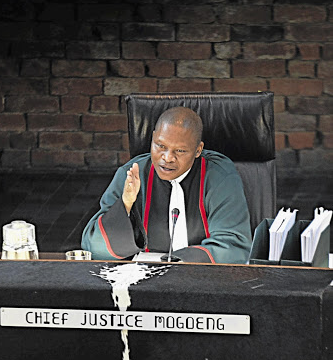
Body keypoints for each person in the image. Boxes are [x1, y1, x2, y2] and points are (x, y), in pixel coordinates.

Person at [81, 106, 252, 264]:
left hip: (201, 277)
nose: (167, 157)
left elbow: (233, 249)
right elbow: (94, 248)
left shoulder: (219, 177)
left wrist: (175, 263)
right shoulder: (132, 174)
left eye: (180, 151)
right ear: (152, 138)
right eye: (160, 146)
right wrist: (125, 204)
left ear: (198, 150)